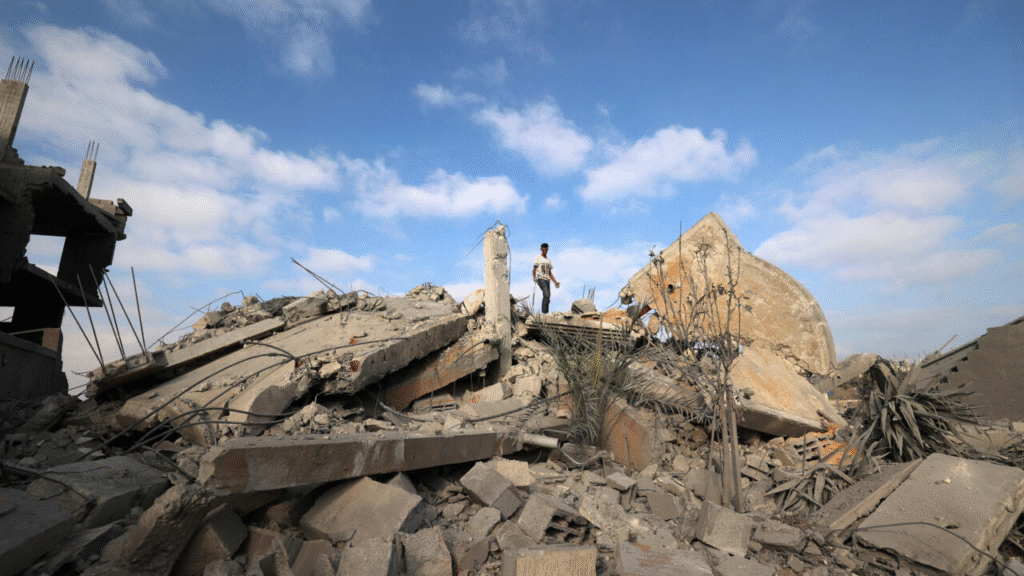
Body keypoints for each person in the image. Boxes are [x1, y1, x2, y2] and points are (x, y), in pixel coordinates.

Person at [532, 242, 560, 313]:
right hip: (541, 279)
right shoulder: (538, 258)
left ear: (547, 250)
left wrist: (555, 282)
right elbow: (534, 269)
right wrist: (534, 277)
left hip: (547, 280)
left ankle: (546, 313)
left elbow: (550, 273)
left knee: (548, 297)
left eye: (546, 250)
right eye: (543, 250)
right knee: (546, 294)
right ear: (541, 249)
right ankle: (544, 313)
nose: (545, 251)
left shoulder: (548, 261)